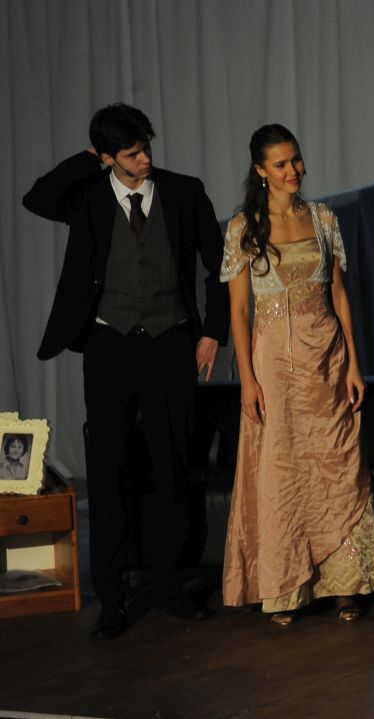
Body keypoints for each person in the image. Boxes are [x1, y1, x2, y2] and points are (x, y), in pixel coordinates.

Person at [23, 103, 229, 641]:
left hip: (171, 342)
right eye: (132, 153)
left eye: (146, 148)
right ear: (108, 157)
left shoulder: (183, 192)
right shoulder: (88, 196)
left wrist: (213, 331)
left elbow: (221, 265)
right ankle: (113, 600)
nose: (145, 159)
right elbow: (36, 198)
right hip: (108, 345)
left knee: (172, 465)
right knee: (108, 469)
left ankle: (171, 585)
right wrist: (88, 160)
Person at [220, 124, 374, 626]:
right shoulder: (243, 228)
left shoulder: (322, 218)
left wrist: (354, 363)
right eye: (281, 164)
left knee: (337, 464)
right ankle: (286, 587)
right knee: (283, 470)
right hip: (274, 365)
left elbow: (339, 294)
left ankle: (345, 585)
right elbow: (239, 312)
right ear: (260, 171)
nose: (294, 170)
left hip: (327, 360)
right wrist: (248, 379)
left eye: (295, 159)